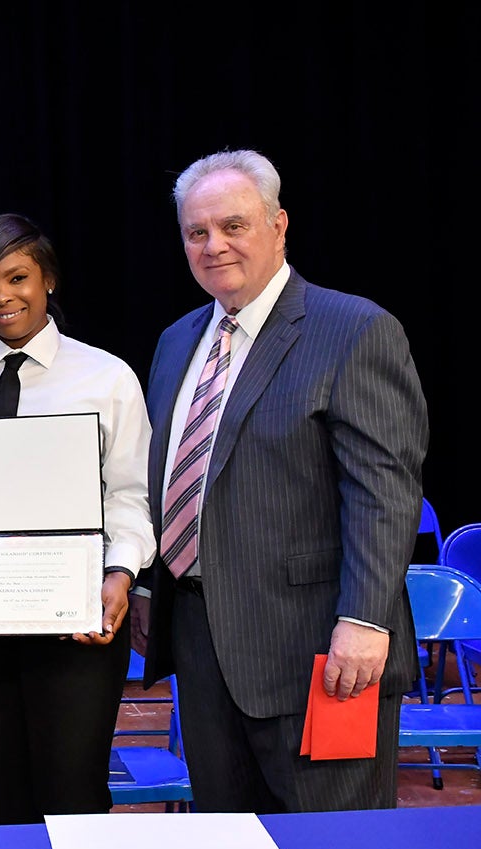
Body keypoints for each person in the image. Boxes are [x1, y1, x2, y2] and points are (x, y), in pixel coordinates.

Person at [132, 148, 428, 812]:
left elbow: (383, 493)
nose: (214, 245)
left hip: (322, 652)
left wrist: (363, 619)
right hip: (204, 647)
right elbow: (172, 478)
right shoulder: (177, 340)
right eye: (196, 232)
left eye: (232, 225)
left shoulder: (354, 329)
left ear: (278, 223)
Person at [0, 213, 155, 823]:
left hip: (75, 617)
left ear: (48, 280)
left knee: (74, 792)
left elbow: (131, 494)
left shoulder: (106, 378)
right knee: (7, 789)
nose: (3, 297)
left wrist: (119, 576)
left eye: (18, 277)